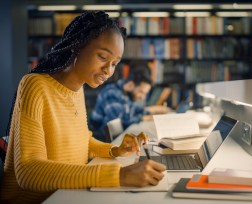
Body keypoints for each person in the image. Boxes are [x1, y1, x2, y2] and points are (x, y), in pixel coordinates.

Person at [0, 11, 166, 204]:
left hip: (67, 195)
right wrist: (118, 175)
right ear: (78, 46)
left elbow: (83, 142)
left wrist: (116, 150)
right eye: (103, 57)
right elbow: (28, 171)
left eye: (114, 64)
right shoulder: (35, 85)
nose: (109, 70)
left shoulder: (77, 89)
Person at [90, 63, 171, 141]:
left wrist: (157, 110)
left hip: (117, 137)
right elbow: (122, 121)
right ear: (130, 85)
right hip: (101, 140)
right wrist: (147, 118)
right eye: (141, 92)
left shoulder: (126, 93)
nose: (142, 97)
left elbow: (136, 109)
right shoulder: (111, 93)